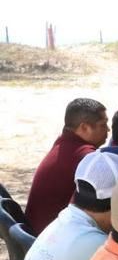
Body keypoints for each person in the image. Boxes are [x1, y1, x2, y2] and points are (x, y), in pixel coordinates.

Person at [24, 98, 108, 234]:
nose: (108, 130)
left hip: (37, 234)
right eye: (103, 125)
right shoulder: (86, 156)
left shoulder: (64, 143)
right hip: (52, 238)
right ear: (84, 127)